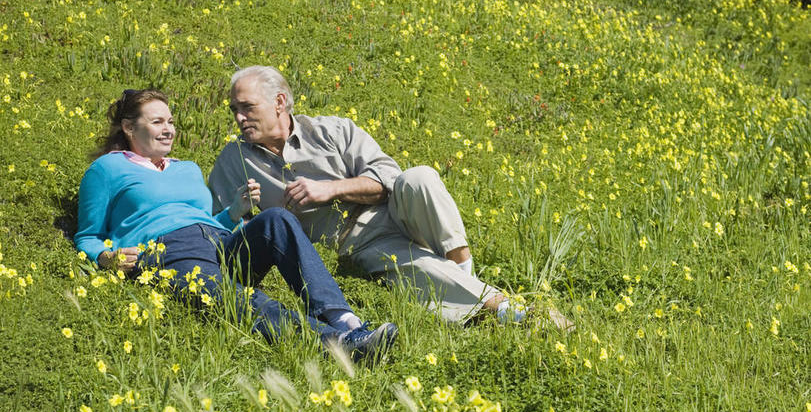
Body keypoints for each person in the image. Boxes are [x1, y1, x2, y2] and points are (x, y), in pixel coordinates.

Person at [209, 66, 573, 330]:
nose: (239, 118)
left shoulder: (331, 130)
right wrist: (240, 212)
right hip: (357, 242)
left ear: (279, 102)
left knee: (421, 178)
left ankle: (464, 273)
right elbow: (223, 230)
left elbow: (388, 177)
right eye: (234, 111)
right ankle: (516, 312)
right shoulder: (234, 160)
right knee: (420, 267)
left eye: (247, 108)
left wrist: (330, 188)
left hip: (392, 211)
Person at [74, 88, 398, 364]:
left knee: (276, 218)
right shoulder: (107, 169)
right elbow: (88, 235)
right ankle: (337, 346)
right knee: (242, 299)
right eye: (157, 122)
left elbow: (204, 221)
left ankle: (344, 320)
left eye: (171, 121)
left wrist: (233, 212)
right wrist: (106, 257)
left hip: (219, 241)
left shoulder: (185, 168)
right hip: (170, 252)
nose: (169, 129)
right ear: (129, 127)